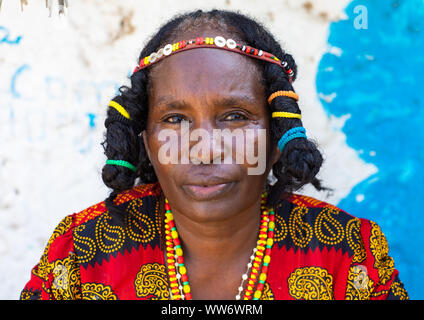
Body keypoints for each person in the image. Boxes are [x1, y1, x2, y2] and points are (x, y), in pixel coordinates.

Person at [20, 9, 408, 300]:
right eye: (175, 118)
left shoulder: (345, 252)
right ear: (147, 141)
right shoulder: (83, 252)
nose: (204, 148)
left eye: (235, 117)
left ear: (277, 136)